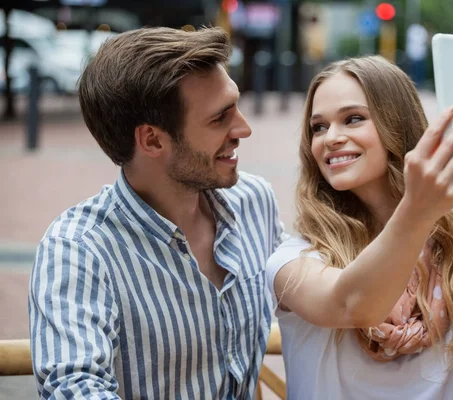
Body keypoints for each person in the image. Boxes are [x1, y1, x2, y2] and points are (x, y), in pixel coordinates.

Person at [266, 55, 453, 399]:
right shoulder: (295, 257)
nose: (331, 138)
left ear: (398, 126)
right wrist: (417, 210)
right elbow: (353, 304)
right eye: (319, 127)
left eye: (353, 119)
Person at [28, 27, 285, 399]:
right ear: (152, 140)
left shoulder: (253, 200)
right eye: (220, 118)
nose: (243, 128)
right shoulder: (78, 251)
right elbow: (75, 387)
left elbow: (300, 279)